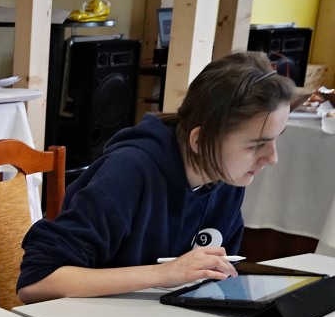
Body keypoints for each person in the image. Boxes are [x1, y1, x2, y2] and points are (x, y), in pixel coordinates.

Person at [17, 51, 297, 303]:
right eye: (256, 145)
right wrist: (163, 274)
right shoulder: (128, 172)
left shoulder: (227, 178)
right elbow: (36, 282)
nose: (272, 158)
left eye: (275, 140)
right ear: (200, 141)